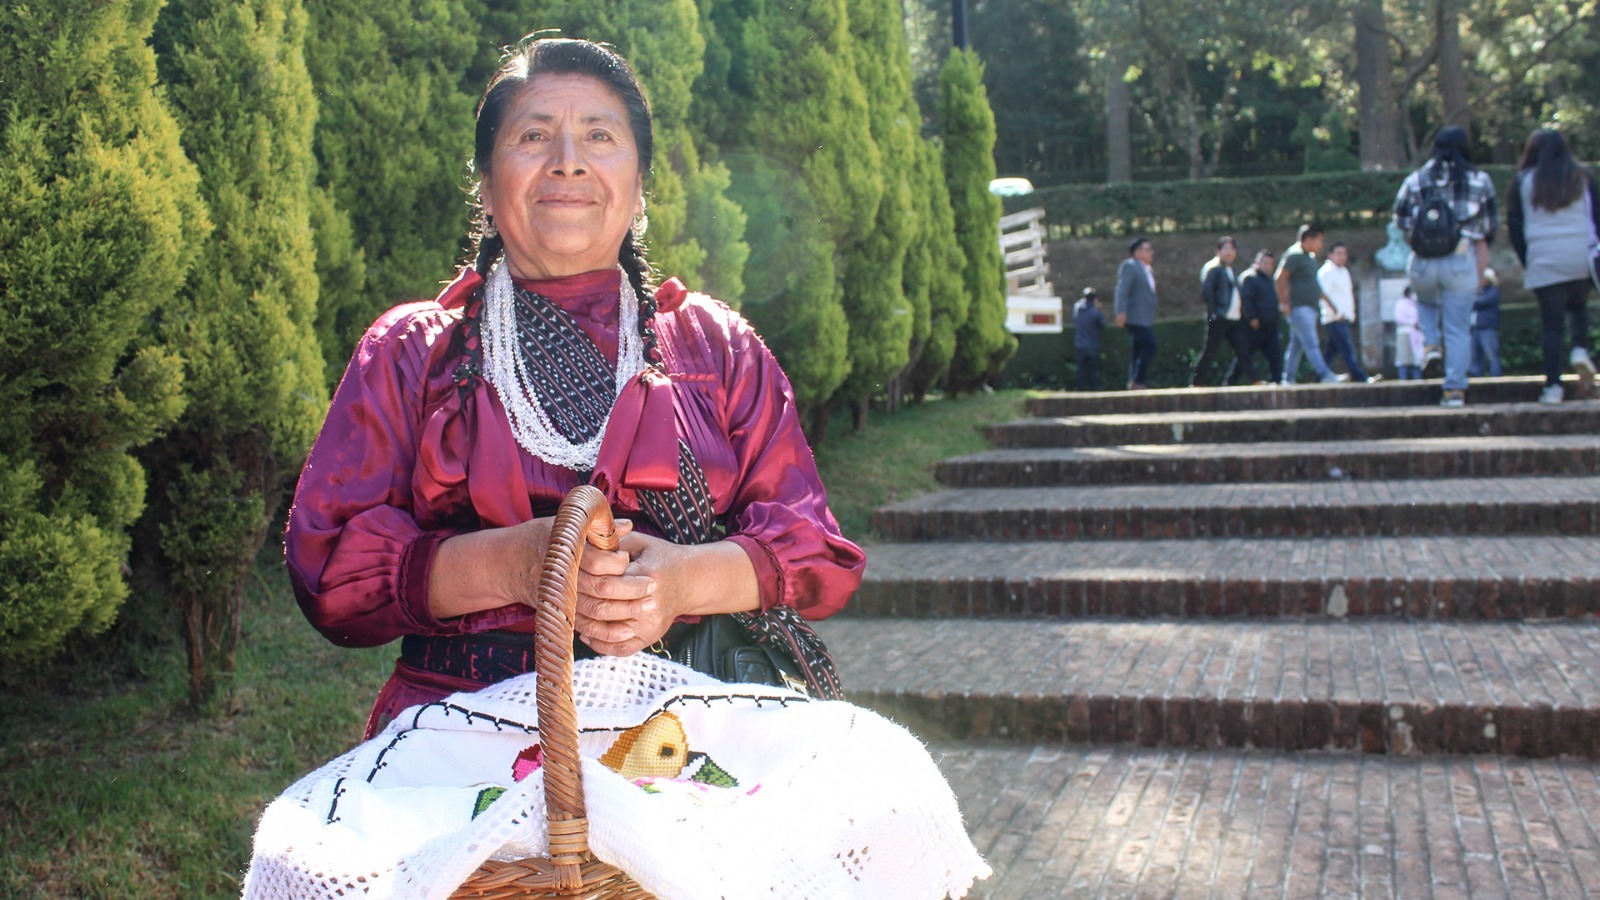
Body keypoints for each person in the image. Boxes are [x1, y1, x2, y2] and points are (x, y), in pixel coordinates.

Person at [283, 38, 865, 739]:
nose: (568, 159)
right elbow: (332, 572)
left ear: (641, 182)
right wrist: (519, 565)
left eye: (598, 135)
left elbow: (809, 547)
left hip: (692, 727)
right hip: (462, 737)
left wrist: (678, 581)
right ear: (486, 181)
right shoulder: (416, 351)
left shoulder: (711, 345)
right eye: (533, 135)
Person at [1392, 125, 1498, 407]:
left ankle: (1431, 345)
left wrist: (1424, 231)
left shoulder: (1417, 179)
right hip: (1459, 259)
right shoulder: (1479, 179)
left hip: (1423, 261)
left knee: (1425, 302)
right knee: (1458, 327)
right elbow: (1488, 226)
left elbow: (1399, 218)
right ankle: (1454, 391)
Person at [1506, 128, 1600, 404]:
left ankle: (1553, 387)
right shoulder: (1582, 177)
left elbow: (1514, 225)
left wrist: (1528, 259)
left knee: (1552, 324)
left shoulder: (1523, 182)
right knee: (1578, 306)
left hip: (1543, 258)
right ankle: (1580, 349)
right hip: (1579, 255)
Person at [1276, 224, 1341, 384]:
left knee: (1296, 346)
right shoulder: (1295, 255)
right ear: (1309, 239)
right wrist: (1284, 303)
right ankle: (1326, 375)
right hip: (1299, 308)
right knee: (1311, 343)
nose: (1321, 244)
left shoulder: (1309, 258)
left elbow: (1315, 286)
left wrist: (1331, 305)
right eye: (1319, 240)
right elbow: (1280, 278)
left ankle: (1288, 379)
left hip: (1309, 308)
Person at [1191, 236, 1254, 386]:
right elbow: (1207, 292)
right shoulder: (1213, 269)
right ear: (1218, 251)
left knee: (1243, 351)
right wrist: (1213, 313)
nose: (1229, 252)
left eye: (1232, 249)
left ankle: (1255, 380)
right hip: (1219, 317)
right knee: (1210, 351)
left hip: (1234, 318)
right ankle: (1196, 383)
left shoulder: (1233, 269)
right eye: (1225, 248)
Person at [1317, 242, 1377, 382]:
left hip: (1345, 317)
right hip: (1335, 318)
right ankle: (1361, 378)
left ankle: (1319, 377)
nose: (1342, 257)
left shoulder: (1343, 271)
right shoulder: (1327, 271)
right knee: (1348, 349)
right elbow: (1321, 294)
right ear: (1330, 255)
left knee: (1331, 352)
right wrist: (1336, 313)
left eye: (1344, 253)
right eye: (1338, 253)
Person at [1114, 237, 1159, 389]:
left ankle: (1133, 381)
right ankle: (1138, 380)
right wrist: (1121, 311)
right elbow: (1122, 290)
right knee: (1150, 344)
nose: (1151, 253)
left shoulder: (1147, 269)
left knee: (1138, 349)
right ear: (1137, 252)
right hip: (1134, 317)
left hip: (1143, 317)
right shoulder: (1131, 266)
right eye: (1148, 250)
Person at [1237, 249, 1282, 384]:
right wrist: (1252, 317)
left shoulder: (1268, 280)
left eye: (1270, 263)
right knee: (1244, 358)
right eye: (1264, 262)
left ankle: (1278, 383)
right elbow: (1246, 299)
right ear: (1257, 262)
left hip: (1270, 327)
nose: (1267, 266)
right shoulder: (1250, 278)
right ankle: (1230, 382)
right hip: (1255, 327)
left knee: (1275, 357)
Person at [1469, 267, 1503, 378]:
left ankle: (1495, 376)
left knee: (1491, 354)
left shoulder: (1493, 291)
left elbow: (1480, 302)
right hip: (1474, 328)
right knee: (1474, 355)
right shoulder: (1476, 292)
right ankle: (1476, 376)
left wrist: (1470, 299)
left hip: (1487, 327)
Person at [1073, 286, 1106, 390]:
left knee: (1081, 372)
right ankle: (1094, 390)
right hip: (1093, 344)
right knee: (1093, 371)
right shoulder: (1095, 312)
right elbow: (1102, 325)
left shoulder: (1077, 309)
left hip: (1079, 344)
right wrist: (1099, 309)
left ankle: (1081, 391)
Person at [1394, 286, 1424, 381]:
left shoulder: (1416, 304)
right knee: (1404, 360)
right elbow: (1399, 318)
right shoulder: (1401, 304)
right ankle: (1403, 380)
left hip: (1416, 334)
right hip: (1405, 333)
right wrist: (1412, 322)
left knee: (1416, 360)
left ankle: (1417, 380)